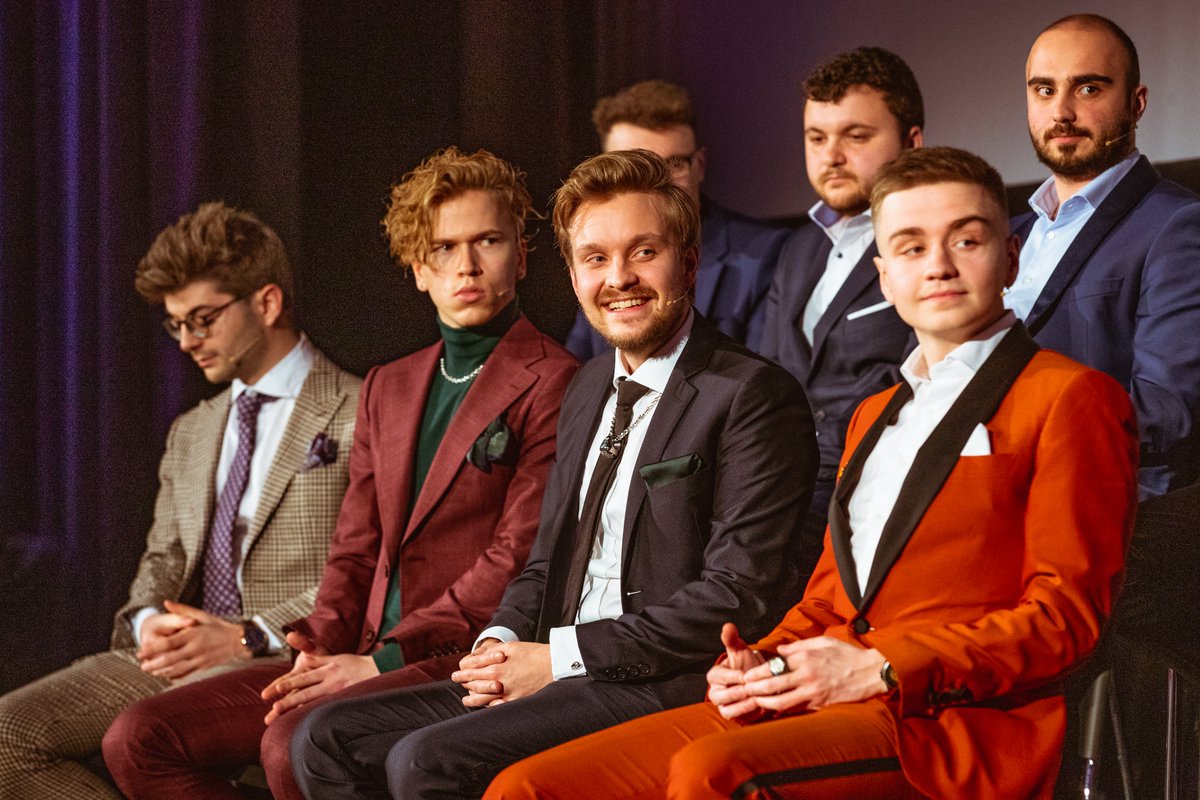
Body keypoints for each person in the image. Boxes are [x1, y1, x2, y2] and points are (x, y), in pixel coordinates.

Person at [484, 146, 1138, 800]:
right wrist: (761, 661)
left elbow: (1064, 619)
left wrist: (883, 668)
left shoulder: (1071, 397)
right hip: (822, 695)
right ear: (885, 276)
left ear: (1012, 257)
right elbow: (828, 601)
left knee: (711, 774)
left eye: (966, 240)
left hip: (948, 722)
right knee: (526, 788)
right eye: (911, 247)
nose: (938, 265)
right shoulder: (873, 414)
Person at [290, 149, 817, 798]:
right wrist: (499, 640)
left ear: (688, 262)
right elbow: (544, 562)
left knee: (425, 761)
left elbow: (736, 595)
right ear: (572, 275)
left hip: (659, 679)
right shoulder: (588, 386)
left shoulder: (751, 394)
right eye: (595, 259)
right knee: (324, 738)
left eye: (643, 252)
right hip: (553, 662)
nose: (618, 278)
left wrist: (561, 658)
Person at [100, 148, 578, 800]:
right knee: (140, 737)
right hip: (358, 647)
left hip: (460, 652)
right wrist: (319, 645)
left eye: (487, 241)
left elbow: (515, 558)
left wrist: (380, 662)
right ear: (418, 270)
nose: (465, 265)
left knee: (290, 742)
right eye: (443, 248)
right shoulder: (389, 384)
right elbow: (354, 547)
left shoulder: (555, 379)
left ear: (520, 256)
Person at [0, 202, 361, 800]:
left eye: (203, 319)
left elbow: (368, 575)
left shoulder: (361, 409)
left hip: (284, 655)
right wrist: (150, 622)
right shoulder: (192, 430)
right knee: (6, 737)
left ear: (267, 303)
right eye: (175, 325)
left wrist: (248, 635)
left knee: (137, 738)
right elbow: (162, 558)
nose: (188, 342)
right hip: (177, 657)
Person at [1012, 13, 1200, 496]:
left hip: (1094, 496)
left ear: (1136, 103)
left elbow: (1167, 409)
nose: (1061, 112)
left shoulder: (1178, 224)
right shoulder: (1007, 233)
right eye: (1044, 90)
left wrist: (1009, 437)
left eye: (1088, 89)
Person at [760, 47, 921, 570]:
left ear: (911, 143)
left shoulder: (930, 245)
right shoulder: (798, 248)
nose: (831, 156)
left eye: (855, 136)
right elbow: (766, 377)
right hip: (778, 477)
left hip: (866, 481)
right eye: (816, 138)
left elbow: (912, 391)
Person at [564, 79, 789, 358]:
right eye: (634, 168)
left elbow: (764, 373)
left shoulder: (769, 253)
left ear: (700, 165)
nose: (655, 185)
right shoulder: (603, 267)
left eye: (672, 165)